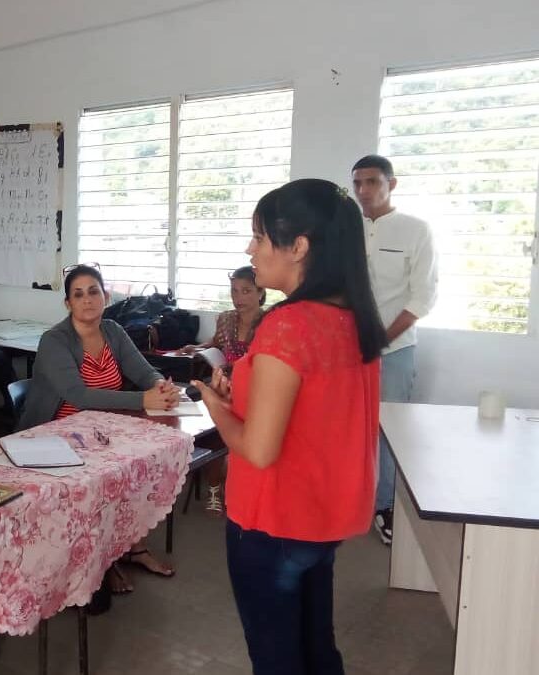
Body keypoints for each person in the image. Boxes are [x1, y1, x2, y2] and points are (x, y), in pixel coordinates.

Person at [193, 179, 387, 675]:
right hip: (324, 515)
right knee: (316, 647)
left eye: (259, 237)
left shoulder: (288, 324)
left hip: (274, 517)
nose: (250, 249)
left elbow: (257, 450)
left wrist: (213, 403)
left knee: (277, 657)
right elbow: (316, 409)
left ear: (298, 246)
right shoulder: (352, 315)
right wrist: (244, 394)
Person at [18, 264, 181, 594]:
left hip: (104, 429)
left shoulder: (112, 331)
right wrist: (143, 398)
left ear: (105, 296)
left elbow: (144, 370)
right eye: (78, 294)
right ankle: (103, 562)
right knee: (102, 483)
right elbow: (78, 396)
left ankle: (133, 548)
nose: (87, 300)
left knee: (139, 469)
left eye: (94, 291)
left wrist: (160, 387)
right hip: (57, 435)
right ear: (68, 304)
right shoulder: (55, 340)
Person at [352, 154, 438, 545]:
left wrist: (380, 339)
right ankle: (349, 502)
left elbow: (423, 296)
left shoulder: (415, 230)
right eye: (357, 183)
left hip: (395, 349)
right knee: (350, 427)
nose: (364, 191)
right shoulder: (347, 230)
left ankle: (384, 506)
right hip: (347, 351)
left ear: (391, 184)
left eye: (372, 182)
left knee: (388, 431)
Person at [178, 266, 266, 514]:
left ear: (261, 293)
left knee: (252, 442)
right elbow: (215, 344)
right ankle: (215, 488)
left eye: (246, 291)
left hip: (256, 390)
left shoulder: (270, 322)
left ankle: (250, 491)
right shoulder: (226, 318)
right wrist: (195, 348)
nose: (239, 298)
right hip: (224, 387)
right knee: (214, 433)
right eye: (234, 291)